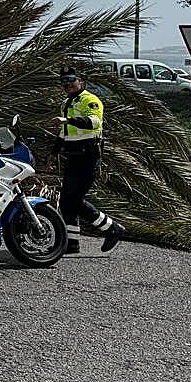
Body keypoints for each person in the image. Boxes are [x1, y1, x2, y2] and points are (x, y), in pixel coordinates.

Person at [48, 68, 125, 254]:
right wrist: (53, 153)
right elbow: (63, 133)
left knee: (74, 199)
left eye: (71, 81)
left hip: (88, 156)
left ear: (80, 81)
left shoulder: (90, 100)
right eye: (63, 82)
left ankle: (112, 229)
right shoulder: (66, 103)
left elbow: (94, 123)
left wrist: (68, 120)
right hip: (73, 156)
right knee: (67, 201)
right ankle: (71, 243)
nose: (67, 85)